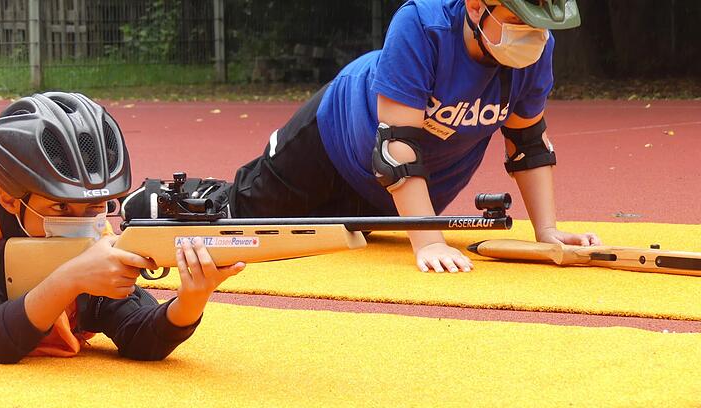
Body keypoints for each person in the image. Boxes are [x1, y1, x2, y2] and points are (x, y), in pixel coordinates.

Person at [229, 0, 601, 274]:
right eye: (519, 20)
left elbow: (528, 142)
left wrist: (547, 231)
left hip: (393, 194)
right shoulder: (422, 25)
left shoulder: (536, 51)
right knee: (242, 222)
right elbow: (395, 146)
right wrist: (428, 240)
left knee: (328, 243)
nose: (532, 36)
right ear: (475, 7)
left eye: (540, 26)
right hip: (330, 141)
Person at [0, 92, 244, 364]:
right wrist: (71, 278)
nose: (81, 223)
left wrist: (191, 300)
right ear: (8, 198)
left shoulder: (92, 228)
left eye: (96, 207)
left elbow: (138, 333)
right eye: (61, 207)